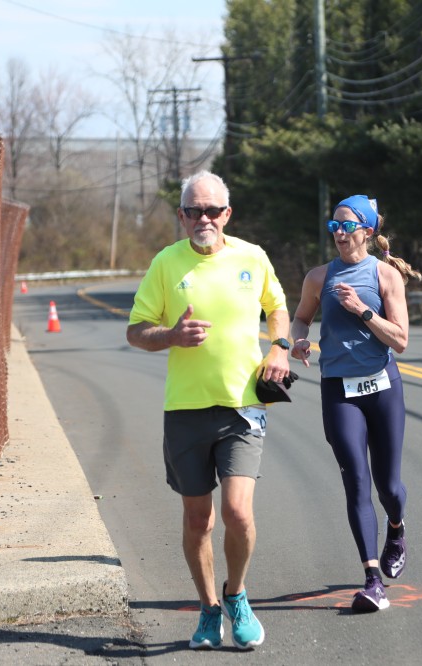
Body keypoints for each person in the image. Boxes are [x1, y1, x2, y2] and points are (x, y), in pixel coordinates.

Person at [126, 170, 292, 649]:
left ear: (227, 214)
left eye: (213, 210)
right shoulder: (166, 263)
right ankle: (207, 608)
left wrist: (279, 347)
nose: (204, 218)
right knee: (199, 519)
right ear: (181, 216)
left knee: (238, 513)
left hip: (243, 407)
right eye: (194, 210)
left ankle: (236, 594)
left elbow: (278, 307)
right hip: (186, 410)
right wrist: (171, 336)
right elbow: (136, 330)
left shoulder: (252, 257)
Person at [290, 195, 422, 612]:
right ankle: (372, 581)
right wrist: (297, 340)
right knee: (356, 481)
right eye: (334, 226)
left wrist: (363, 310)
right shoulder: (318, 277)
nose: (339, 233)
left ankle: (396, 528)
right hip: (338, 390)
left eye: (347, 226)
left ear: (366, 231)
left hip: (383, 388)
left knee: (389, 487)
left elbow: (400, 340)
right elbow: (301, 317)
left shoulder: (385, 276)